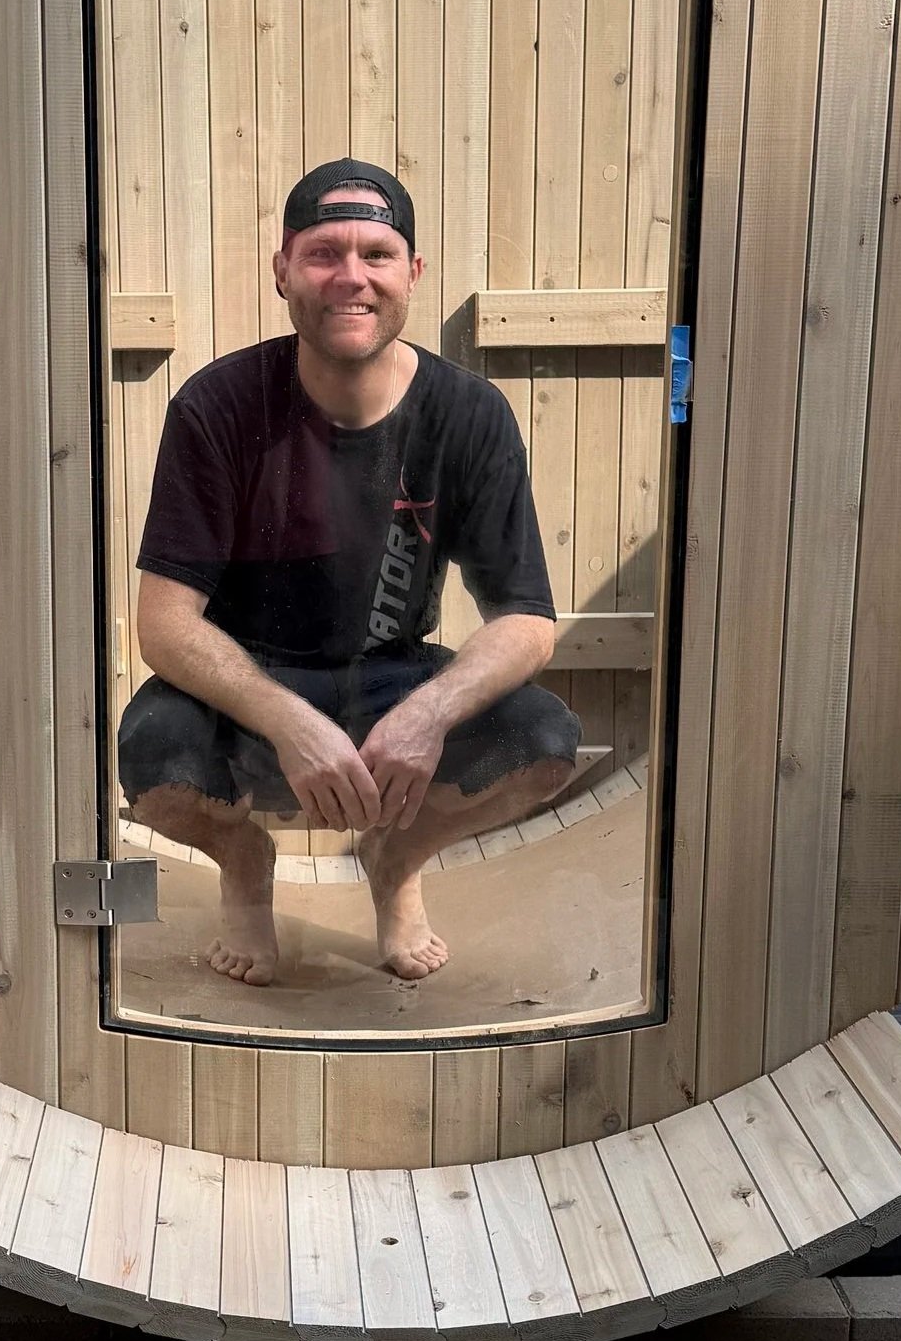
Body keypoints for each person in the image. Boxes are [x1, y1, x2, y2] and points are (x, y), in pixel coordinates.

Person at [117, 159, 581, 985]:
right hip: (247, 678)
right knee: (154, 760)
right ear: (284, 270)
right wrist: (290, 724)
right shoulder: (216, 407)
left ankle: (395, 862)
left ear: (413, 274)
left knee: (543, 745)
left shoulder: (469, 414)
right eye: (325, 253)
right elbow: (164, 625)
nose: (351, 278)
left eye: (376, 253)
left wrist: (428, 714)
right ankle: (243, 865)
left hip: (391, 673)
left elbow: (527, 619)